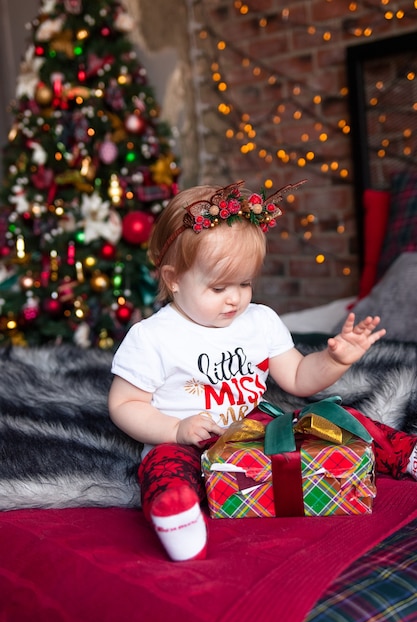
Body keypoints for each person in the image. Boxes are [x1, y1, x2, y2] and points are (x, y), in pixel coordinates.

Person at [108, 180, 417, 562]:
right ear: (174, 279)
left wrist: (336, 359)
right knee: (163, 467)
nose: (235, 298)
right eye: (219, 287)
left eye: (245, 283)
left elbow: (299, 377)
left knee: (337, 418)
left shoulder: (260, 321)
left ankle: (407, 454)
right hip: (185, 438)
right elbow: (124, 403)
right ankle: (178, 516)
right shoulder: (152, 336)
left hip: (256, 433)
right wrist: (175, 429)